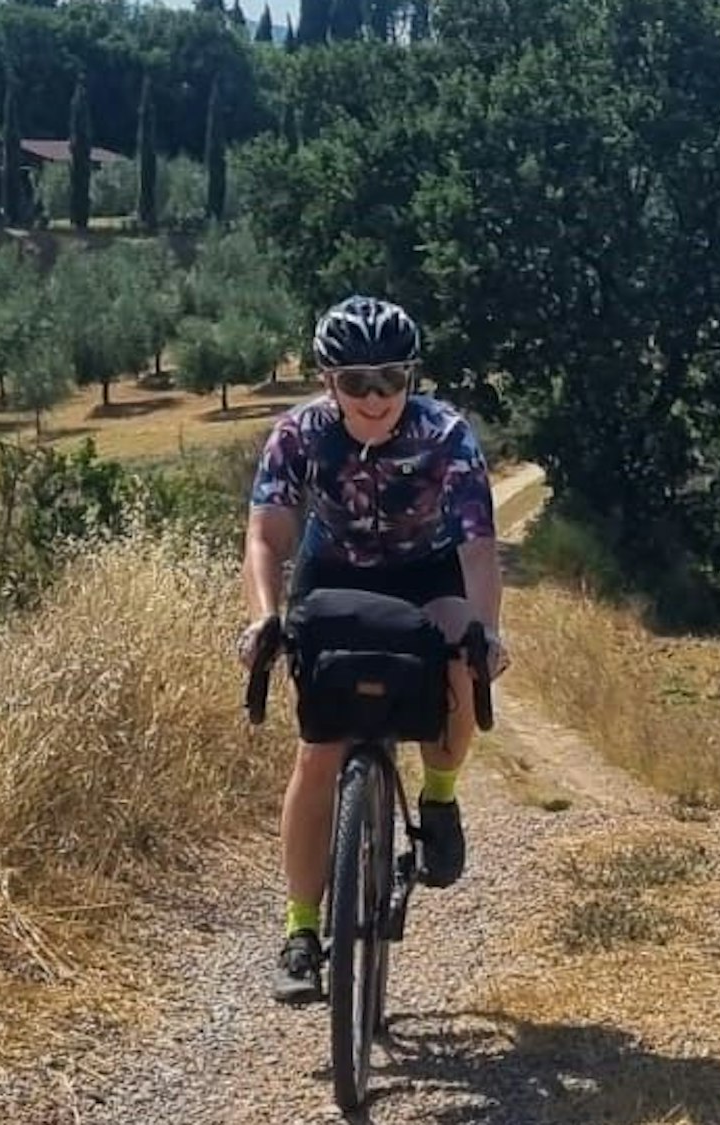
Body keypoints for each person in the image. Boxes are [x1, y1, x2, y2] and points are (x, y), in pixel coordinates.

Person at [235, 295, 509, 1005]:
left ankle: (440, 795)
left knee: (458, 656)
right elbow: (267, 536)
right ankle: (300, 933)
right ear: (329, 382)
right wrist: (265, 620)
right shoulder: (298, 435)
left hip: (426, 571)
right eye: (356, 381)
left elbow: (478, 545)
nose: (376, 396)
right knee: (318, 750)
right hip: (333, 570)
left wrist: (486, 628)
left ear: (411, 376)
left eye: (391, 377)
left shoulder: (447, 434)